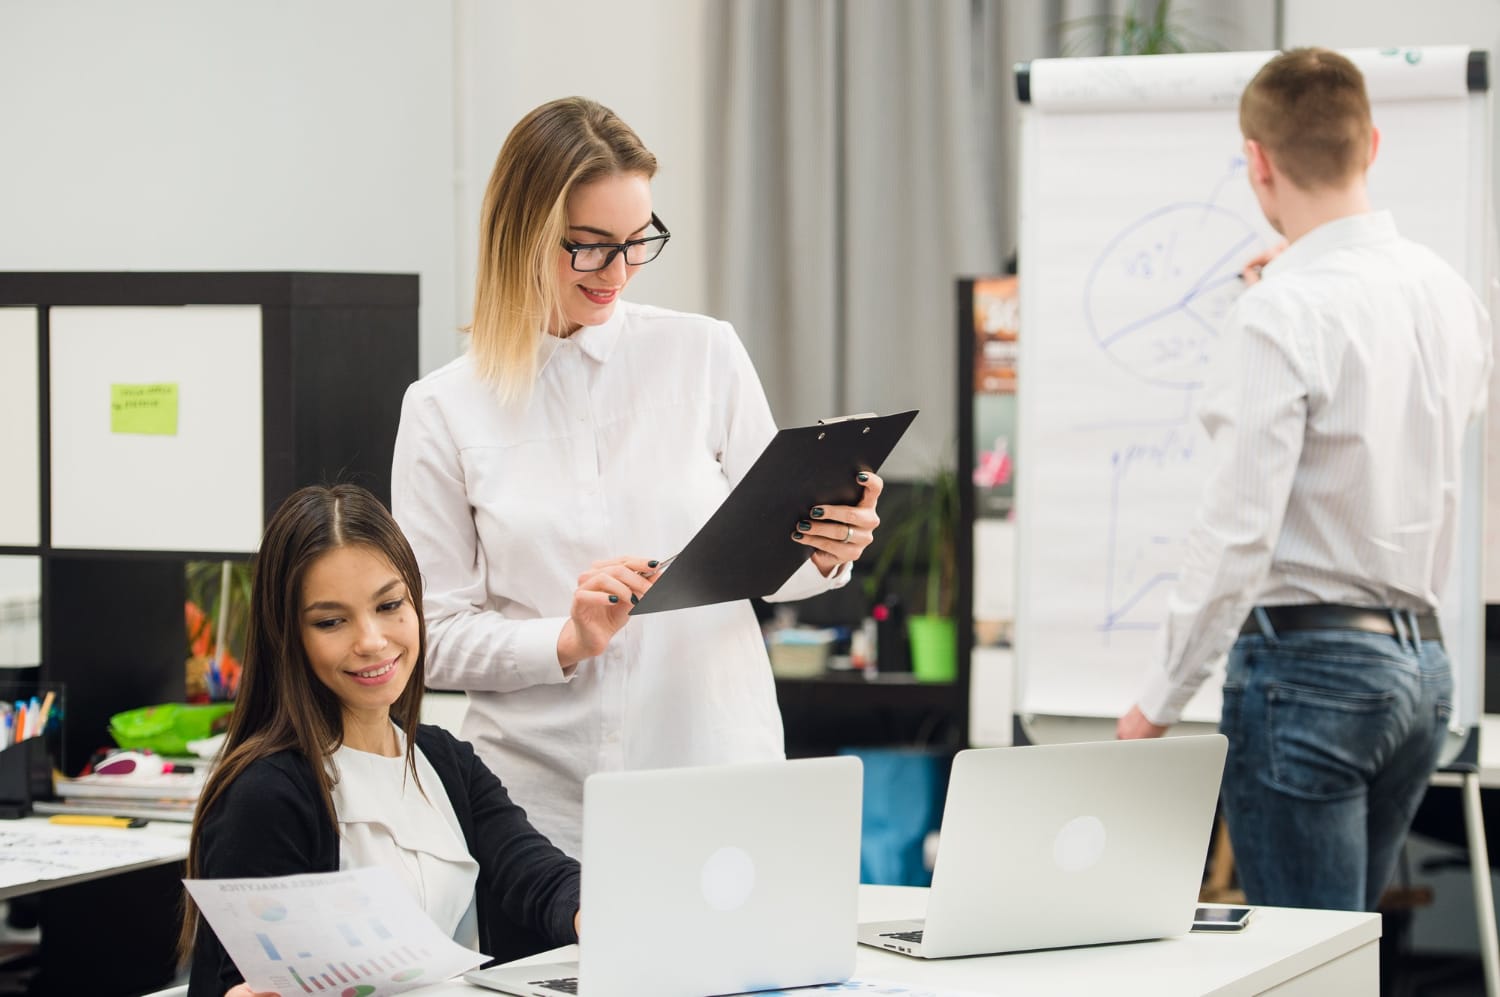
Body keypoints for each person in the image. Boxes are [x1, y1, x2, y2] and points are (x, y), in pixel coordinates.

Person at [391, 96, 883, 859]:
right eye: (589, 246)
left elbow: (772, 566)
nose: (618, 271)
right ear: (520, 234)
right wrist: (565, 637)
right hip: (541, 810)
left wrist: (828, 546)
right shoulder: (442, 409)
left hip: (717, 776)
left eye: (637, 240)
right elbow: (431, 638)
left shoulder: (703, 355)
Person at [1117, 48, 1493, 913]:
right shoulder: (1447, 293)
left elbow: (1239, 533)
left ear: (1257, 158)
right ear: (1373, 143)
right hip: (1422, 670)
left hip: (1308, 673)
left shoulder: (1280, 311)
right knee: (1344, 954)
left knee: (1305, 961)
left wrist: (1157, 700)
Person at [180, 485, 581, 997]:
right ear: (287, 635)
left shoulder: (444, 760)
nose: (371, 640)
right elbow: (241, 981)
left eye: (390, 604)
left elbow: (538, 876)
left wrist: (591, 909)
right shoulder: (265, 795)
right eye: (331, 621)